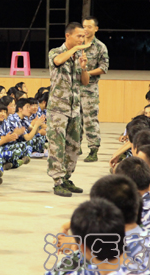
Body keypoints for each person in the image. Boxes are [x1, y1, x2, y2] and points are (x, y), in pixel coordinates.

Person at [46, 22, 90, 197]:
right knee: (57, 146)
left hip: (74, 109)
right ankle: (57, 181)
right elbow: (57, 61)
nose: (82, 39)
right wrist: (76, 50)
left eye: (83, 36)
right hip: (58, 109)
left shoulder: (78, 56)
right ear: (68, 36)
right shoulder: (56, 52)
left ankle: (66, 178)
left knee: (74, 146)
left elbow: (85, 81)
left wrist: (84, 67)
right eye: (79, 36)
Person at [79, 16, 109, 163]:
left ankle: (93, 149)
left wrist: (87, 73)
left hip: (89, 89)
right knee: (74, 118)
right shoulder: (76, 44)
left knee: (90, 120)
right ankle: (75, 146)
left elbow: (104, 68)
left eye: (89, 26)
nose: (86, 29)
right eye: (84, 26)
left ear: (96, 28)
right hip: (74, 88)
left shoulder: (100, 47)